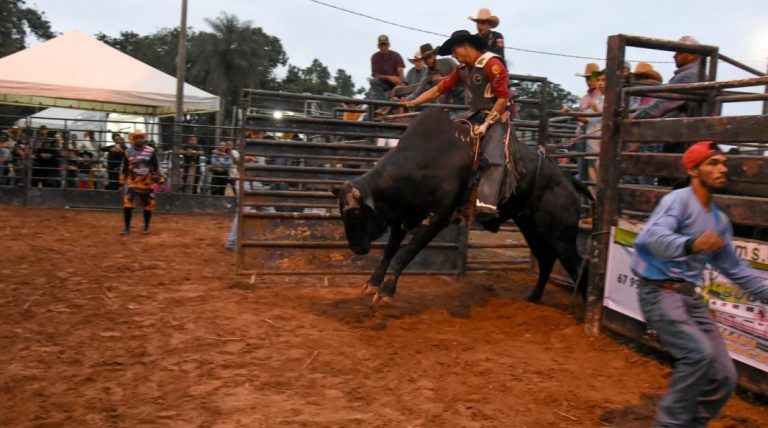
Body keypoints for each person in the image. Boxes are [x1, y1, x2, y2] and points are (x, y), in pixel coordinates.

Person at [631, 141, 768, 427]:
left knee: (724, 376)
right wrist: (691, 244)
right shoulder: (678, 200)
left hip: (689, 298)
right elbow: (650, 238)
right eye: (713, 163)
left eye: (723, 163)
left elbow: (736, 270)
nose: (722, 168)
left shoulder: (719, 221)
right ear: (694, 170)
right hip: (659, 292)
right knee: (698, 354)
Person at [401, 30, 509, 228]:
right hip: (474, 114)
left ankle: (487, 204)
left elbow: (503, 97)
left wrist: (487, 124)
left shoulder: (492, 64)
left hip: (495, 117)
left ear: (466, 46)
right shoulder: (463, 70)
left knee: (494, 155)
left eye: (454, 50)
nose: (453, 54)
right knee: (445, 137)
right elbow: (439, 89)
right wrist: (415, 102)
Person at [119, 131, 164, 235]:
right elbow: (124, 168)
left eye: (141, 137)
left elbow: (155, 166)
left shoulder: (151, 151)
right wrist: (121, 182)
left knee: (148, 205)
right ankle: (126, 228)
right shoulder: (128, 152)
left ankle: (146, 227)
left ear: (144, 138)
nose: (139, 139)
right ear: (133, 140)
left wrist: (160, 178)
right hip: (132, 182)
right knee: (127, 204)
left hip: (146, 182)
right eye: (137, 137)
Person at [369, 35, 405, 101]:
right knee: (373, 82)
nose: (383, 47)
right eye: (381, 45)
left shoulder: (396, 55)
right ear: (378, 46)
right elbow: (375, 74)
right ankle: (384, 105)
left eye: (385, 45)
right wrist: (389, 77)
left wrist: (400, 82)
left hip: (396, 83)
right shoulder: (375, 57)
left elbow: (400, 69)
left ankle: (392, 103)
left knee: (404, 91)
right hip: (383, 84)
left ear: (388, 45)